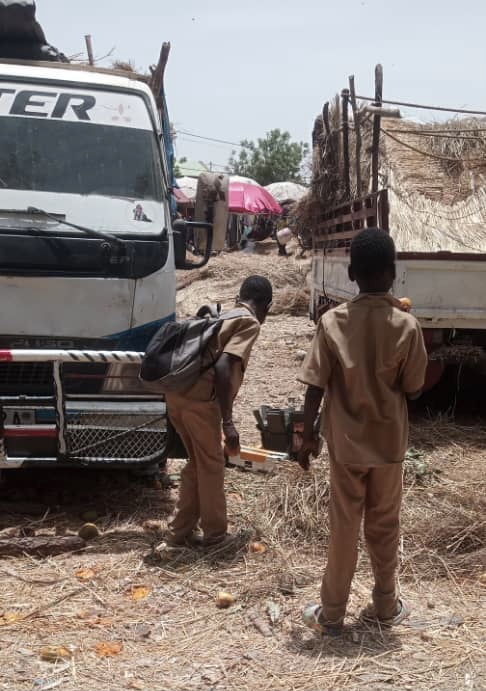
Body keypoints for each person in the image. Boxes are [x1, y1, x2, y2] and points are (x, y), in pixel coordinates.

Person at [297, 228, 428, 635]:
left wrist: (304, 437)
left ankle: (332, 612)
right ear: (393, 273)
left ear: (351, 273)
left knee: (344, 526)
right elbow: (414, 387)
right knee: (385, 524)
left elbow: (314, 386)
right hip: (389, 445)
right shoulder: (407, 326)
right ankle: (385, 606)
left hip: (346, 446)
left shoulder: (332, 322)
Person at [165, 275, 273, 548]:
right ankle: (215, 537)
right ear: (266, 306)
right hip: (200, 402)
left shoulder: (222, 315)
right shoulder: (248, 322)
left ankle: (180, 532)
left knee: (197, 464)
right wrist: (228, 422)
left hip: (177, 395)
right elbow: (224, 367)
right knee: (211, 466)